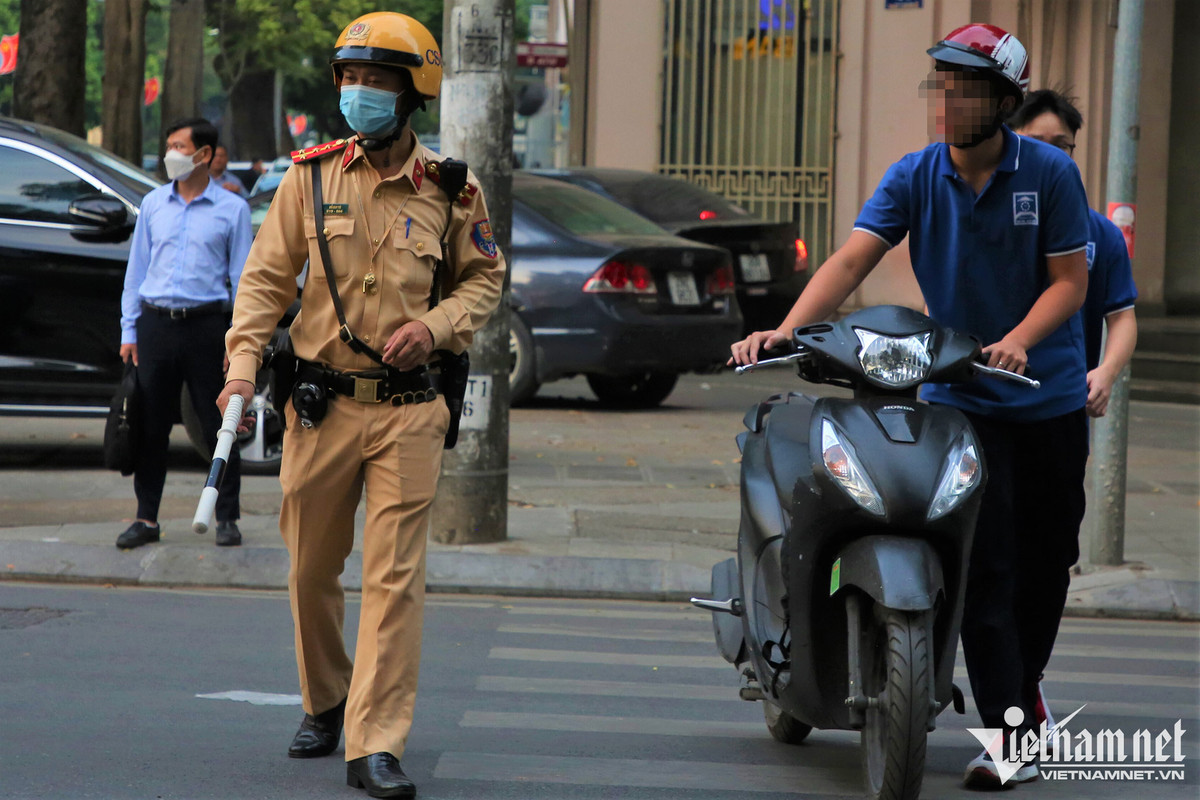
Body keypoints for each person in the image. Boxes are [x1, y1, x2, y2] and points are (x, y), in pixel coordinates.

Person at [730, 24, 1091, 788]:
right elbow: (855, 255)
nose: (951, 98)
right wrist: (787, 332)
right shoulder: (916, 175)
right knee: (988, 569)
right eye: (944, 83)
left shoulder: (1051, 176)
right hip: (962, 400)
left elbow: (1070, 284)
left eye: (967, 85)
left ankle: (1026, 689)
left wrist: (1019, 340)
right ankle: (1012, 736)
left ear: (1003, 100)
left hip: (1044, 399)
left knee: (1045, 568)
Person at [217, 12, 505, 798]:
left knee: (393, 578)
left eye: (376, 81)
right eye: (349, 78)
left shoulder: (453, 190)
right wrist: (242, 370)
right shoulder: (307, 178)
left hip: (411, 410)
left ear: (412, 93)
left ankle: (374, 741)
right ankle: (328, 698)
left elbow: (485, 278)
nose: (358, 94)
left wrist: (436, 325)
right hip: (321, 407)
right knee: (311, 569)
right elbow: (264, 285)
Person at [117, 117, 250, 550]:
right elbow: (136, 271)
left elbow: (243, 281)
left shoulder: (233, 210)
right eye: (169, 144)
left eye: (180, 145)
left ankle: (227, 516)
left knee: (218, 423)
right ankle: (146, 517)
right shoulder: (154, 203)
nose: (170, 153)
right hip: (155, 325)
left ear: (205, 155)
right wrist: (129, 329)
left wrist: (238, 341)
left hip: (207, 327)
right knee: (150, 425)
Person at [1009, 89, 1138, 418]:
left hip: (1062, 402)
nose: (1050, 156)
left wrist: (1106, 372)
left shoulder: (1103, 234)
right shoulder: (986, 220)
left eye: (1061, 145)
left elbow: (1122, 316)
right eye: (1036, 143)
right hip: (987, 398)